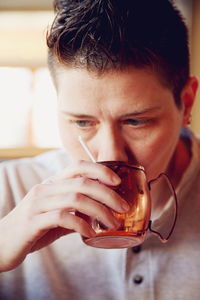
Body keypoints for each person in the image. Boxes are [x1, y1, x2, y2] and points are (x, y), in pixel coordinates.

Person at [0, 0, 200, 299]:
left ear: (186, 103)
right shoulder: (9, 190)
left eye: (136, 121)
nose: (110, 156)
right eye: (82, 122)